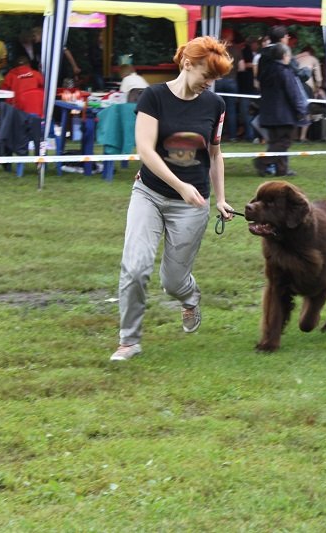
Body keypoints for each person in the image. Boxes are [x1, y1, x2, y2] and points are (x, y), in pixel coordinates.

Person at [111, 36, 234, 362]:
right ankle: (129, 341)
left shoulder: (215, 105)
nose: (210, 83)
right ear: (187, 64)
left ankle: (189, 297)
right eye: (207, 75)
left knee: (173, 282)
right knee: (135, 268)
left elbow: (215, 154)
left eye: (215, 78)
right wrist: (179, 185)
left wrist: (221, 199)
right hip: (149, 194)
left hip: (193, 205)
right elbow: (145, 150)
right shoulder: (153, 97)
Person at [254, 43, 308, 176]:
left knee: (276, 142)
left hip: (269, 113)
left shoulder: (266, 71)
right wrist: (301, 110)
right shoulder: (285, 72)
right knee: (284, 142)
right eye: (289, 55)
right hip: (284, 114)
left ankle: (281, 170)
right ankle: (262, 161)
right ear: (284, 56)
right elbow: (293, 93)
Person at [215, 28, 243, 142]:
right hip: (232, 82)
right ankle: (232, 136)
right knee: (231, 110)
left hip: (218, 81)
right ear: (232, 37)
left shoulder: (217, 50)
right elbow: (242, 67)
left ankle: (216, 135)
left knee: (217, 110)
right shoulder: (237, 50)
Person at [294, 45, 324, 142]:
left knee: (295, 110)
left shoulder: (296, 58)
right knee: (307, 111)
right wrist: (317, 88)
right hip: (307, 85)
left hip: (294, 85)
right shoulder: (314, 59)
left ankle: (294, 135)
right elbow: (318, 78)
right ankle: (302, 136)